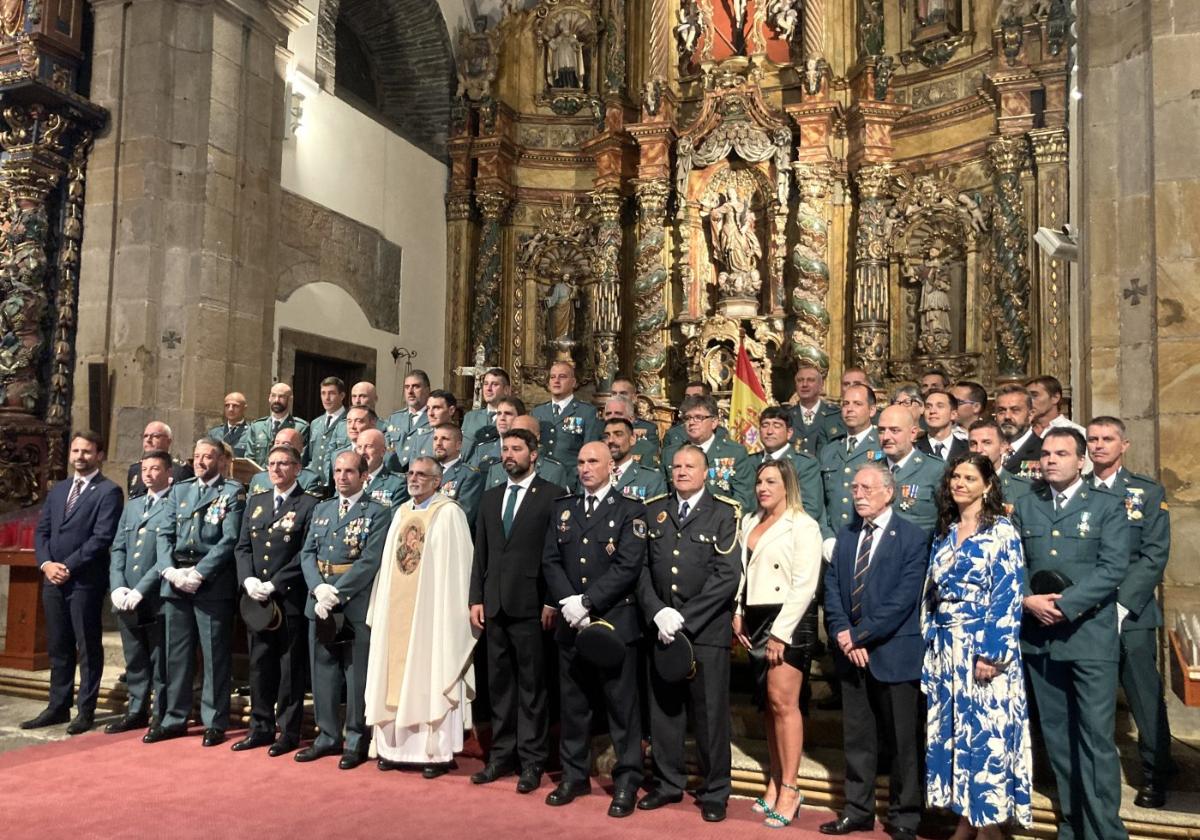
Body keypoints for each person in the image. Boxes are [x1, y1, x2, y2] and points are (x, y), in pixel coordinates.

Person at [1013, 428, 1129, 840]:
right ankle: (1072, 824)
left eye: (1061, 453)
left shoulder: (1107, 506)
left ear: (1081, 460)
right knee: (1058, 740)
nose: (1051, 460)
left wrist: (1064, 605)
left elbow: (1114, 568)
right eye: (1045, 453)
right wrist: (1028, 600)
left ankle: (1105, 832)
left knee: (1096, 741)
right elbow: (1013, 563)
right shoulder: (1025, 507)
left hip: (1089, 637)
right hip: (1041, 639)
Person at [922, 453, 1033, 837]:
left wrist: (993, 652)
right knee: (956, 735)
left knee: (986, 736)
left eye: (969, 477)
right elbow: (931, 592)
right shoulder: (946, 530)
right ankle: (965, 821)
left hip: (984, 649)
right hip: (947, 647)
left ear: (988, 485)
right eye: (955, 476)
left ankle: (989, 825)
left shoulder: (1001, 531)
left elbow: (1007, 594)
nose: (960, 483)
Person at [820, 463, 927, 840]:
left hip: (894, 653)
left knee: (902, 742)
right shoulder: (847, 536)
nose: (858, 493)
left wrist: (861, 635)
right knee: (858, 740)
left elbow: (903, 599)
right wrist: (842, 633)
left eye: (866, 487)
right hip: (851, 654)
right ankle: (858, 810)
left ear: (889, 492)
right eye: (854, 488)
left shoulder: (912, 537)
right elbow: (831, 588)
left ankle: (905, 815)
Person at [540, 442, 647, 817]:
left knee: (622, 708)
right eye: (581, 461)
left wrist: (588, 603)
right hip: (571, 625)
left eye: (593, 461)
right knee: (574, 706)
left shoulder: (630, 510)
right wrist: (569, 601)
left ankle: (627, 780)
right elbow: (551, 560)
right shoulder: (563, 509)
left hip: (614, 624)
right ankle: (574, 775)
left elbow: (628, 566)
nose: (585, 468)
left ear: (611, 466)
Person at [636, 445, 740, 823]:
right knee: (664, 710)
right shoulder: (654, 510)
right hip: (661, 628)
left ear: (706, 472)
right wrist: (657, 611)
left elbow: (727, 576)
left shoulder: (724, 513)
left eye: (690, 466)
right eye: (676, 466)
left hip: (704, 632)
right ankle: (667, 783)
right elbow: (642, 568)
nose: (681, 472)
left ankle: (715, 791)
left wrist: (685, 618)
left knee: (710, 715)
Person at [367, 457, 477, 777]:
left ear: (437, 480)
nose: (414, 479)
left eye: (422, 475)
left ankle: (433, 752)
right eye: (411, 473)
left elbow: (457, 571)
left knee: (430, 671)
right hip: (398, 613)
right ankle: (392, 749)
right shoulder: (401, 513)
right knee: (393, 672)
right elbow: (389, 569)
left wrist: (452, 616)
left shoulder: (449, 514)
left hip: (432, 616)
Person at [469, 427, 565, 793]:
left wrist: (551, 600)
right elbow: (482, 552)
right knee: (499, 687)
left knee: (532, 689)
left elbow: (556, 554)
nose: (509, 455)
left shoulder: (552, 496)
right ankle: (500, 757)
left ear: (533, 454)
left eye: (516, 449)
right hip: (494, 605)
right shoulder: (491, 498)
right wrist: (475, 597)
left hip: (531, 606)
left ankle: (532, 762)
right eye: (505, 449)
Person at [1087, 416, 1173, 809]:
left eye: (1107, 439)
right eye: (1093, 439)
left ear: (1125, 445)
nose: (1099, 445)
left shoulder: (1146, 492)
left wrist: (1123, 603)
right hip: (1087, 611)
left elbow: (1154, 554)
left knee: (1144, 696)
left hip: (1131, 611)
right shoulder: (1078, 490)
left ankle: (1156, 774)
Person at [733, 459, 822, 828]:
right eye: (759, 482)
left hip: (788, 619)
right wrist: (738, 609)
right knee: (768, 705)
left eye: (771, 481)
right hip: (754, 616)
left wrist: (780, 634)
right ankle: (773, 779)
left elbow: (805, 584)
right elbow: (743, 571)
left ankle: (791, 787)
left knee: (785, 704)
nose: (763, 488)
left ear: (788, 485)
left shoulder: (804, 525)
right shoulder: (750, 522)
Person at [21, 431, 123, 735]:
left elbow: (102, 538)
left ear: (100, 455)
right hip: (53, 579)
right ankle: (57, 705)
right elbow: (42, 532)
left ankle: (85, 710)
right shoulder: (59, 490)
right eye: (76, 451)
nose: (80, 456)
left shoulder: (108, 492)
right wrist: (46, 564)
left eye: (87, 451)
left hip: (84, 582)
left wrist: (68, 566)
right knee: (58, 645)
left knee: (87, 646)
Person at [148, 437, 245, 746]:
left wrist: (200, 573)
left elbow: (229, 539)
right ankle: (174, 718)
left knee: (215, 655)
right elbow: (163, 533)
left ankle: (214, 721)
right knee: (176, 655)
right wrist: (170, 571)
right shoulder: (180, 490)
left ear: (220, 460)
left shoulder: (231, 492)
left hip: (210, 582)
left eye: (207, 457)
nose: (201, 461)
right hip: (177, 579)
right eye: (197, 456)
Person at [297, 450, 392, 768]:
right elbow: (307, 552)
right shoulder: (323, 508)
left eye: (349, 471)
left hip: (353, 604)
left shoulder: (377, 512)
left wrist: (337, 592)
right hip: (320, 602)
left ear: (364, 475)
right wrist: (318, 588)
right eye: (337, 471)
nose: (341, 477)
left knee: (356, 676)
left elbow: (369, 560)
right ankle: (326, 736)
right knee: (322, 672)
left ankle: (355, 739)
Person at [231, 443, 319, 757]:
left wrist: (275, 583)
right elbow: (242, 547)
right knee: (259, 666)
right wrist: (248, 579)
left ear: (297, 469)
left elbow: (306, 553)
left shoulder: (309, 504)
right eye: (271, 463)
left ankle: (289, 732)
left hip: (288, 599)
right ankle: (260, 727)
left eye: (284, 463)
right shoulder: (257, 502)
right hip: (257, 601)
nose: (276, 469)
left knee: (289, 669)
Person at [106, 449, 173, 734]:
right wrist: (118, 585)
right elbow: (119, 547)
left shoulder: (173, 505)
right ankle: (136, 709)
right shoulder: (133, 506)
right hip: (126, 595)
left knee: (159, 658)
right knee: (134, 657)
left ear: (168, 473)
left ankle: (161, 712)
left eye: (155, 468)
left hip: (154, 596)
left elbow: (165, 555)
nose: (148, 474)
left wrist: (142, 589)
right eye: (145, 468)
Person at [661, 393, 755, 510]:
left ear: (714, 422)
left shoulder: (734, 452)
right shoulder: (671, 453)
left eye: (699, 417)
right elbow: (664, 497)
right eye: (688, 418)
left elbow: (744, 498)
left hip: (721, 522)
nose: (692, 422)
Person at [818, 383, 883, 549]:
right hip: (834, 540)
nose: (849, 409)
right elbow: (820, 500)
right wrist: (826, 536)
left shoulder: (882, 446)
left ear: (872, 410)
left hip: (870, 540)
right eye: (845, 404)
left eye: (858, 404)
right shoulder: (830, 449)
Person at [756, 406, 829, 536]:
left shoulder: (805, 464)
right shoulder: (750, 461)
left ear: (789, 433)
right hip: (753, 531)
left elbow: (810, 508)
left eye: (777, 426)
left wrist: (772, 529)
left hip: (790, 535)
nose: (769, 431)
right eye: (765, 425)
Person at [878, 404, 945, 534]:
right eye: (881, 430)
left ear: (913, 433)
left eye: (894, 430)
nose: (886, 437)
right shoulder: (872, 470)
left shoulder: (936, 470)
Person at [530, 361, 602, 467]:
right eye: (552, 377)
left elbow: (590, 450)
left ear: (573, 382)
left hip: (570, 478)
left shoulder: (587, 412)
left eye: (562, 377)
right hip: (542, 476)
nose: (556, 381)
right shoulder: (537, 412)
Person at [483, 414, 572, 491]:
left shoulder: (553, 471)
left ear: (537, 437)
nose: (516, 438)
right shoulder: (495, 470)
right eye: (513, 432)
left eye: (522, 433)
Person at [967, 419, 1034, 507]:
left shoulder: (1024, 489)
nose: (978, 449)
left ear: (1003, 447)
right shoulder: (958, 486)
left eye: (987, 443)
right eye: (973, 444)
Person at [430, 423, 484, 528]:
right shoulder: (426, 472)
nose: (438, 443)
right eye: (435, 439)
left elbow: (463, 516)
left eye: (445, 439)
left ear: (458, 445)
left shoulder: (470, 475)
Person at [604, 417, 667, 502]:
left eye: (618, 434)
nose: (611, 440)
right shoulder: (593, 475)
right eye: (606, 436)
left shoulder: (651, 479)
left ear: (632, 439)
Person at [246, 382, 310, 466]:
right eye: (273, 396)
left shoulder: (300, 428)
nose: (276, 400)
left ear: (290, 399)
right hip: (260, 477)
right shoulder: (257, 427)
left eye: (281, 397)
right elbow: (249, 459)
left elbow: (301, 460)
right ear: (269, 398)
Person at [246, 427, 323, 496]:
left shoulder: (309, 479)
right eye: (277, 443)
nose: (280, 446)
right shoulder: (259, 478)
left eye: (286, 444)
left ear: (300, 449)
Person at [789, 363, 845, 456]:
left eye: (810, 380)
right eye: (800, 380)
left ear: (821, 384)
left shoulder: (835, 416)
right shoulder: (787, 416)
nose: (804, 384)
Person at [127, 421, 193, 497]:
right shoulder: (135, 469)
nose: (148, 440)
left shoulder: (180, 470)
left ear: (168, 441)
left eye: (155, 436)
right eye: (145, 436)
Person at [461, 367, 512, 463]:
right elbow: (464, 452)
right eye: (485, 384)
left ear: (506, 390)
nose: (488, 389)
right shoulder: (470, 417)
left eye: (495, 384)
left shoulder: (512, 418)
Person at [995, 384, 1042, 481]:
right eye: (1001, 411)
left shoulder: (1044, 450)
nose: (1007, 416)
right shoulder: (986, 449)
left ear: (1030, 415)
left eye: (1015, 410)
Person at [602, 394, 659, 468]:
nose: (612, 417)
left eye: (618, 413)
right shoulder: (595, 443)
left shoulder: (645, 449)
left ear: (631, 419)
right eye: (608, 414)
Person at [469, 395, 524, 472]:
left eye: (508, 414)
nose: (502, 418)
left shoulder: (527, 451)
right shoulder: (482, 450)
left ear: (520, 418)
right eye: (499, 413)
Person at [308, 376, 349, 477]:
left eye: (331, 393)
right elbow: (310, 456)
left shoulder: (349, 421)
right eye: (323, 393)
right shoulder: (315, 423)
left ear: (342, 395)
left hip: (337, 481)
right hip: (315, 482)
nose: (326, 398)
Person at [357, 427, 408, 508]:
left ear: (382, 451)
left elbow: (396, 517)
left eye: (368, 446)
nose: (362, 452)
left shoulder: (397, 484)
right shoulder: (349, 479)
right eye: (359, 447)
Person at [610, 376, 661, 452]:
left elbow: (652, 457)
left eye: (623, 393)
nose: (618, 397)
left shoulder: (648, 428)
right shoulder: (601, 426)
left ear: (634, 398)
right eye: (614, 393)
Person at [917, 389, 968, 463]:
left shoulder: (967, 449)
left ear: (953, 414)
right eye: (928, 407)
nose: (932, 411)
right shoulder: (913, 448)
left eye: (940, 406)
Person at [209, 392, 251, 458]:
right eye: (227, 405)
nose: (230, 409)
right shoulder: (214, 433)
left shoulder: (251, 432)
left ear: (244, 408)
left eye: (235, 406)